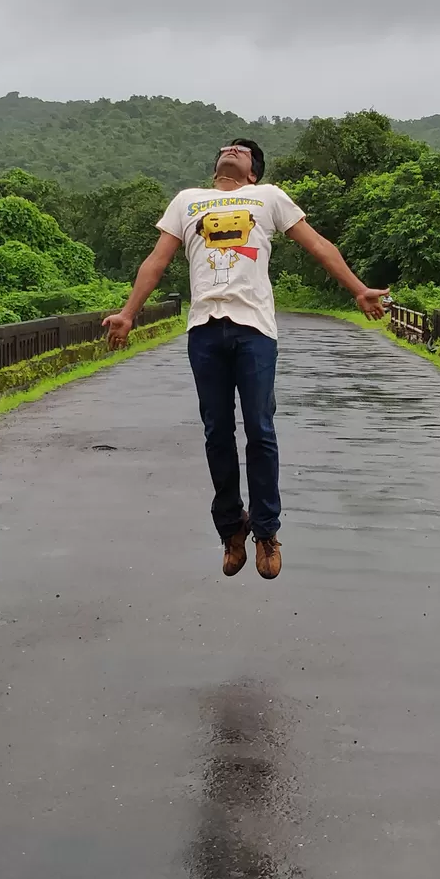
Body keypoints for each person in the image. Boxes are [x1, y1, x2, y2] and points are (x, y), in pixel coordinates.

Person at [102, 139, 389, 579]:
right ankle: (231, 529)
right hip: (204, 329)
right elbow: (156, 261)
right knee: (216, 431)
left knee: (259, 428)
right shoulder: (187, 201)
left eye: (241, 149)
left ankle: (267, 531)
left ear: (253, 170)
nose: (230, 149)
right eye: (225, 147)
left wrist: (357, 288)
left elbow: (318, 245)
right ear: (214, 164)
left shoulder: (268, 197)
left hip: (254, 328)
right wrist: (128, 312)